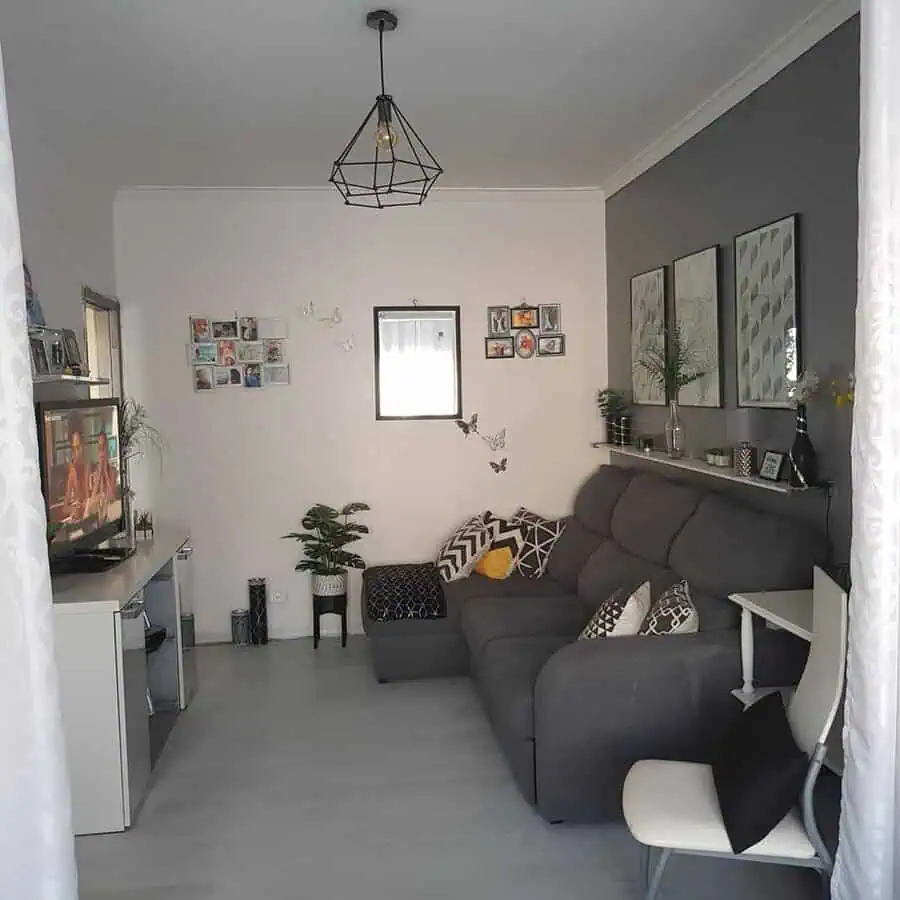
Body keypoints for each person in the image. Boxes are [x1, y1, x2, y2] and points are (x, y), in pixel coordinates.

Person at [63, 414, 90, 521]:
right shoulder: (72, 470)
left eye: (78, 448)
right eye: (73, 450)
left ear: (84, 445)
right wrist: (73, 509)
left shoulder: (89, 465)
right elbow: (64, 508)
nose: (75, 455)